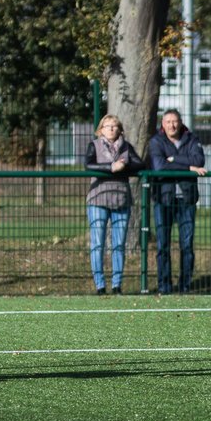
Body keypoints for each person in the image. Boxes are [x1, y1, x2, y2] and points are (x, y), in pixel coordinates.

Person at [85, 114, 145, 295]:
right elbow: (88, 165)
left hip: (121, 199)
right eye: (107, 126)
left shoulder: (126, 148)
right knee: (98, 244)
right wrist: (111, 167)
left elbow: (140, 164)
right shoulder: (93, 146)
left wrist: (123, 166)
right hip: (98, 199)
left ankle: (117, 284)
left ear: (120, 130)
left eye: (114, 126)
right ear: (101, 129)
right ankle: (100, 285)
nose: (111, 129)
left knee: (118, 244)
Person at [148, 109, 206, 294]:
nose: (172, 125)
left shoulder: (192, 139)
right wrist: (188, 166)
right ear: (162, 124)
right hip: (163, 199)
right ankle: (164, 286)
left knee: (186, 245)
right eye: (168, 122)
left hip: (186, 200)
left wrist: (174, 159)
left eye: (175, 121)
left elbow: (199, 159)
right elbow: (159, 166)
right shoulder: (156, 141)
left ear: (180, 122)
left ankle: (185, 285)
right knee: (163, 245)